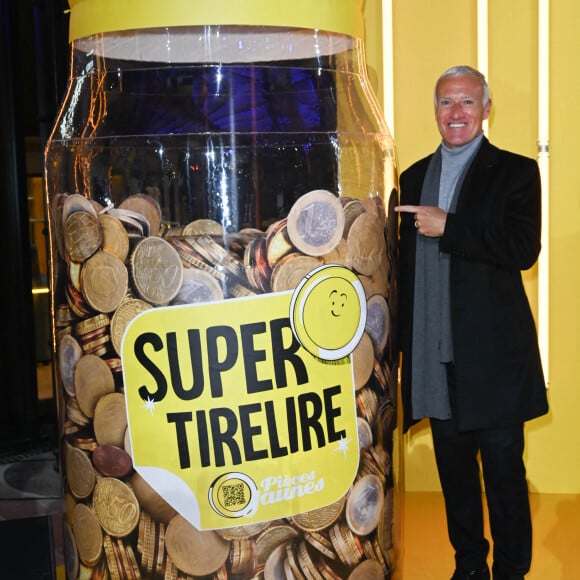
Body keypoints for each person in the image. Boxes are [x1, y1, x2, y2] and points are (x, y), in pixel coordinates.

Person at [395, 65, 549, 580]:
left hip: (494, 363)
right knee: (455, 479)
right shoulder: (412, 177)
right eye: (445, 103)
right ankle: (468, 568)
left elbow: (522, 249)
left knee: (505, 478)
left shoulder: (517, 171)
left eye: (466, 102)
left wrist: (450, 227)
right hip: (433, 360)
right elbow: (402, 268)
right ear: (435, 111)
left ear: (486, 109)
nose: (455, 113)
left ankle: (511, 572)